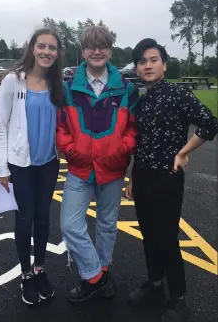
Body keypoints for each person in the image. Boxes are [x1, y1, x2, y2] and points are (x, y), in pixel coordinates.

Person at [125, 38, 218, 322]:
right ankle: (155, 282)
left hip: (168, 177)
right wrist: (132, 179)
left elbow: (209, 122)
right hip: (142, 176)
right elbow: (139, 144)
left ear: (164, 64)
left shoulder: (177, 94)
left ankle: (178, 298)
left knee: (166, 238)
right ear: (138, 68)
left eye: (153, 59)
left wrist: (184, 152)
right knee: (148, 234)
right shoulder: (141, 101)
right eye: (142, 61)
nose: (148, 65)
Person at [56, 25, 139, 302]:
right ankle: (95, 276)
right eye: (91, 46)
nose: (97, 51)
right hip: (80, 169)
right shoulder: (68, 88)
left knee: (107, 225)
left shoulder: (126, 88)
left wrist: (122, 149)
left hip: (112, 170)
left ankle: (101, 269)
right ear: (83, 52)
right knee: (69, 225)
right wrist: (70, 149)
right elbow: (62, 127)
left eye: (102, 46)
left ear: (110, 51)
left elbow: (134, 130)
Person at [0, 28, 63, 305]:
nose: (47, 51)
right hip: (20, 164)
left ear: (58, 53)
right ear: (32, 48)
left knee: (44, 218)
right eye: (42, 46)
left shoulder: (57, 83)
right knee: (24, 219)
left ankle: (39, 268)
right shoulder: (14, 81)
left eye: (53, 47)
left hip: (48, 163)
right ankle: (25, 274)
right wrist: (2, 168)